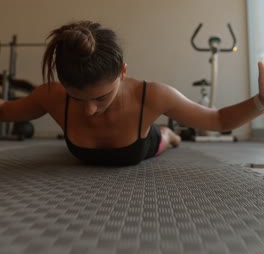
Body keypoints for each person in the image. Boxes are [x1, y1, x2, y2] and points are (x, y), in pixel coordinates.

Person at [1, 20, 264, 166]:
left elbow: (218, 120)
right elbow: (4, 110)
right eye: (76, 98)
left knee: (164, 137)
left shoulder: (151, 96)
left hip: (144, 145)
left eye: (101, 97)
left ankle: (168, 135)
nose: (89, 110)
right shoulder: (50, 96)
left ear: (123, 71)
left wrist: (261, 101)